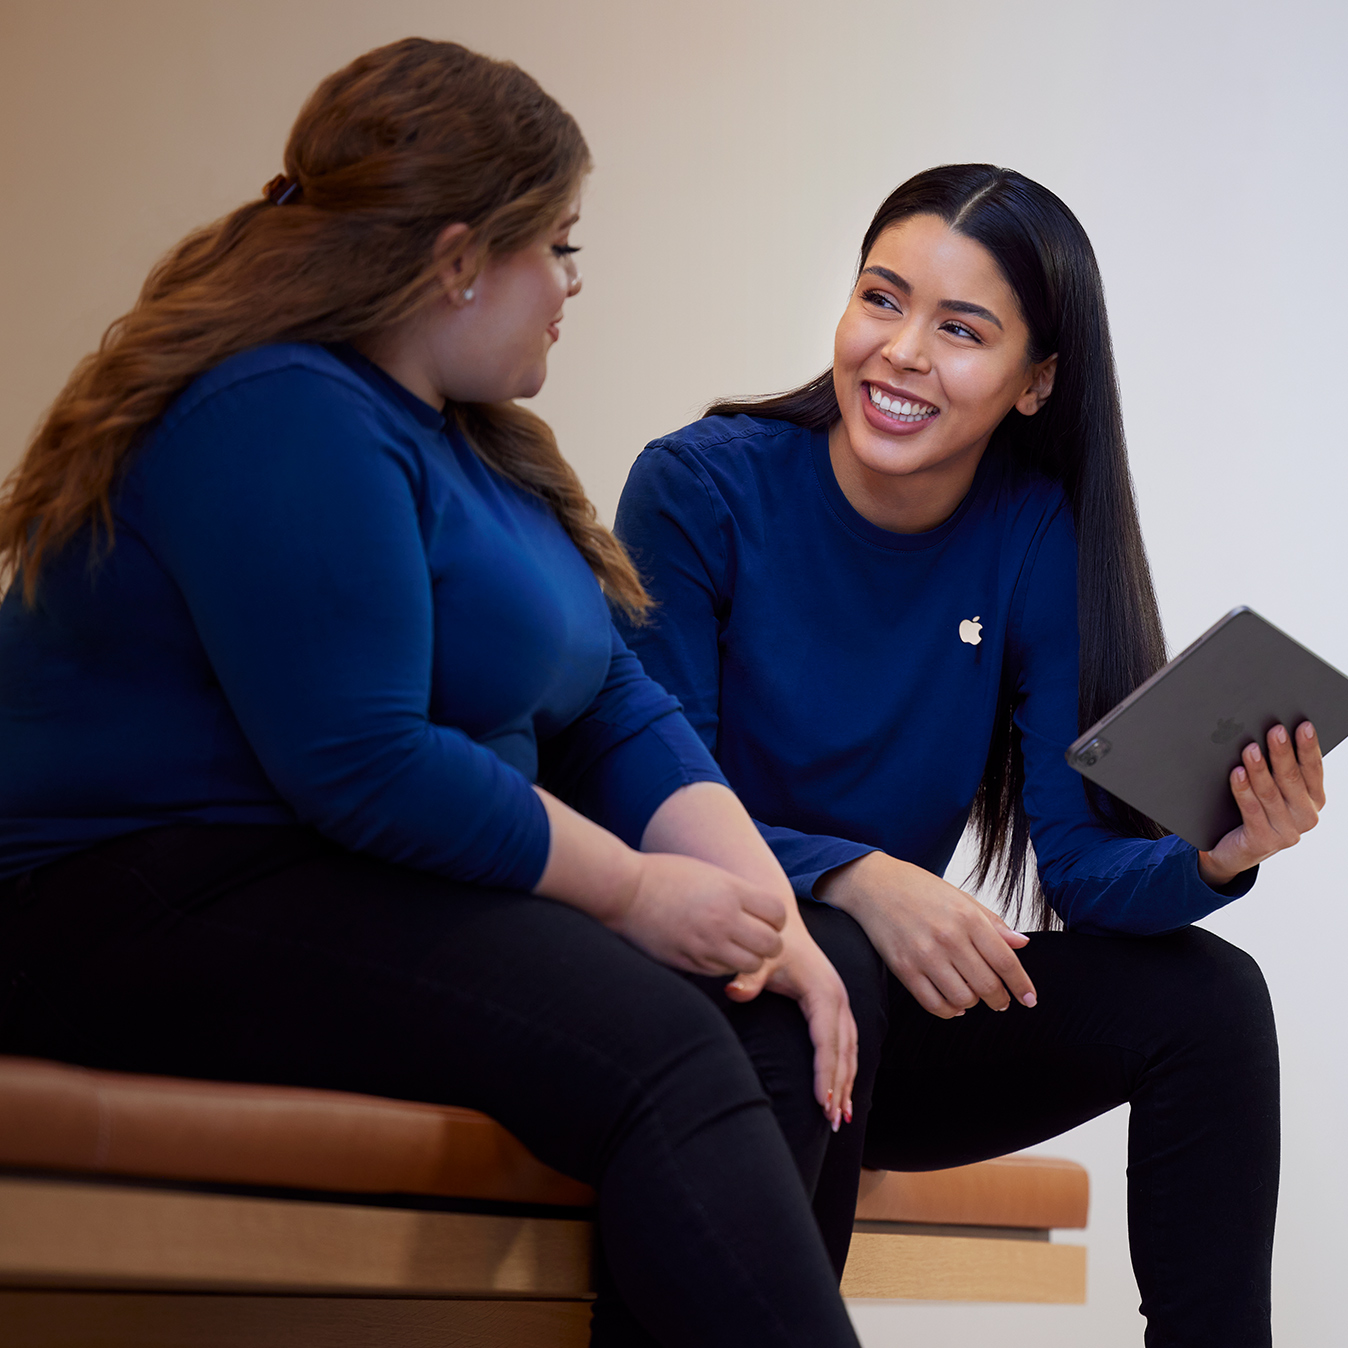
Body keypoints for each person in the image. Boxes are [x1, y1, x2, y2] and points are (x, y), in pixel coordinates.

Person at [0, 39, 865, 1348]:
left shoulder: (472, 442)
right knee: (667, 1049)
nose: (572, 285)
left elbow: (616, 704)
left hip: (308, 877)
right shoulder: (280, 405)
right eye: (558, 245)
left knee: (775, 1019)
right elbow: (363, 763)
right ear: (460, 257)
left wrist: (770, 919)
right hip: (130, 897)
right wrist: (635, 894)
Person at [614, 164, 1327, 1347]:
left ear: (1036, 380)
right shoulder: (700, 486)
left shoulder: (1029, 530)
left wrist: (1215, 855)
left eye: (959, 329)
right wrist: (855, 876)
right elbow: (650, 795)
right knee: (834, 950)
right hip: (697, 993)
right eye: (880, 299)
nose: (898, 351)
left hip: (870, 1018)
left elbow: (1081, 868)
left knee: (1211, 1000)